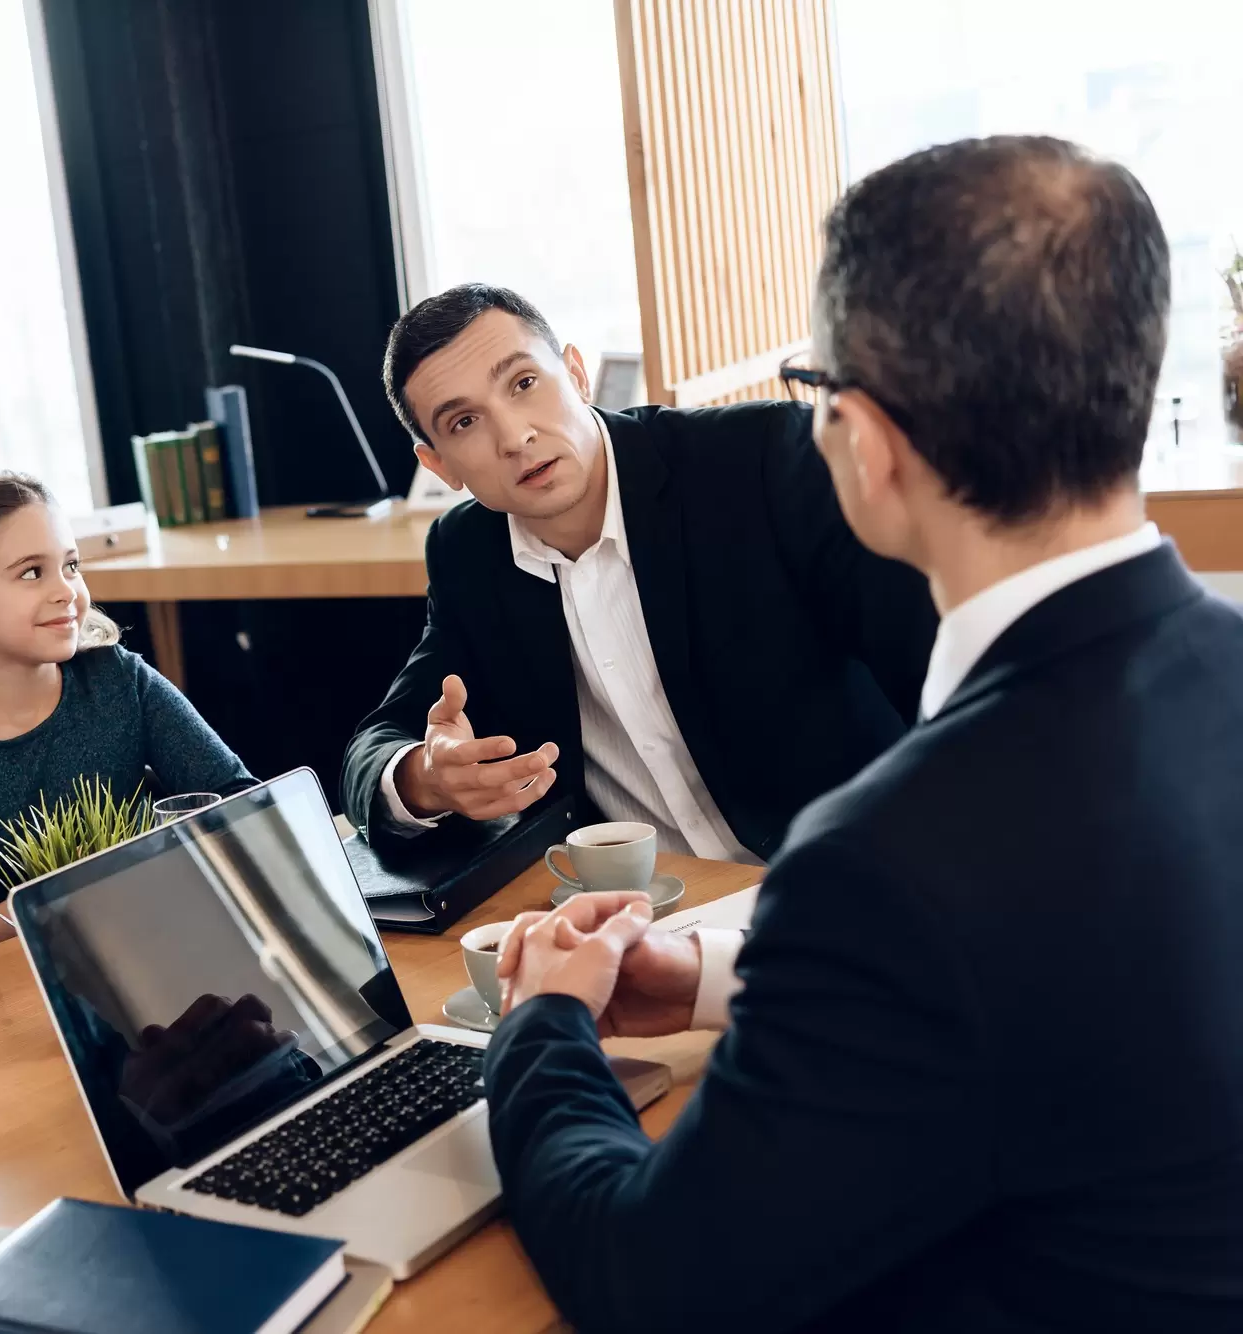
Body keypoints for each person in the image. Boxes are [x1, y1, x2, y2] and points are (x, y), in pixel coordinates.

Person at [488, 135, 1243, 1330]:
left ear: (867, 440)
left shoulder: (890, 858)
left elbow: (648, 1282)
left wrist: (539, 1027)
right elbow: (1080, 969)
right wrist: (718, 979)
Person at [343, 284, 937, 884]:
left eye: (524, 384)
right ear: (439, 465)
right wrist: (425, 777)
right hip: (644, 914)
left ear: (576, 374)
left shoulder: (760, 461)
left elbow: (947, 672)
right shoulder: (468, 554)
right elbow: (376, 744)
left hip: (856, 880)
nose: (514, 436)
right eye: (465, 421)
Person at [0, 473, 254, 912]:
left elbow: (244, 805)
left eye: (71, 566)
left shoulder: (121, 681)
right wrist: (50, 905)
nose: (66, 591)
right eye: (32, 572)